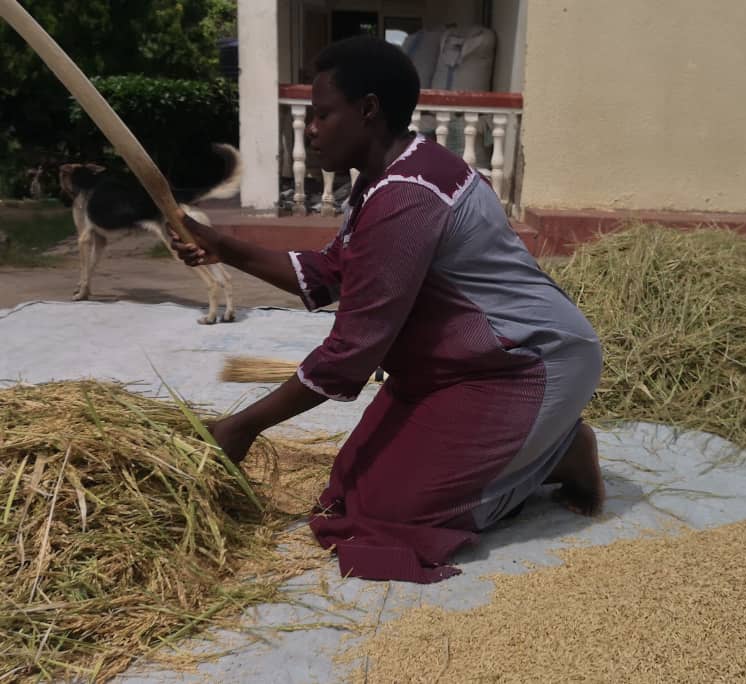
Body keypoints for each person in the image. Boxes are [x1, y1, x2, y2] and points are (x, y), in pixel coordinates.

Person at [170, 35, 604, 583]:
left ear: (368, 110)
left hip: (524, 363)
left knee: (389, 519)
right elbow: (329, 272)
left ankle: (561, 452)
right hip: (453, 366)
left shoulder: (407, 195)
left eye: (323, 114)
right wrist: (222, 246)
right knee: (347, 493)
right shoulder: (388, 175)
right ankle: (536, 449)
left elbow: (352, 351)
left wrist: (243, 426)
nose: (310, 129)